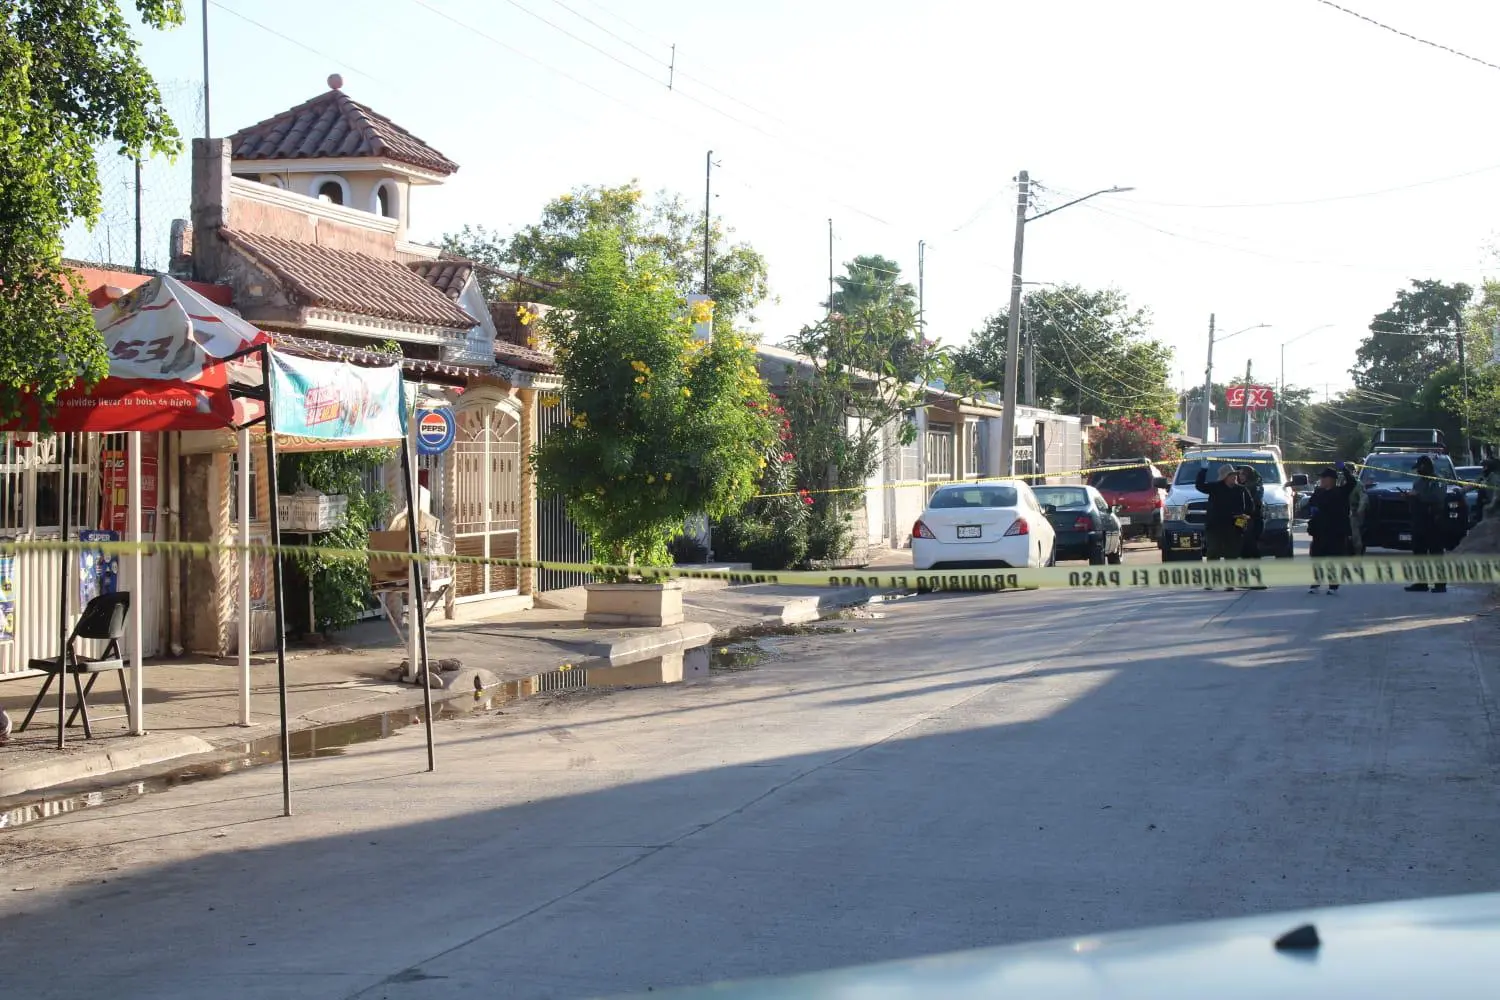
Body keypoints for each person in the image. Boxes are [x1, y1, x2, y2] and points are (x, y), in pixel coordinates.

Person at [1195, 463, 1253, 589]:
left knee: (1231, 554)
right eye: (1231, 475)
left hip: (1234, 527)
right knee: (1213, 552)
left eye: (1235, 475)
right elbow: (1199, 486)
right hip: (1215, 526)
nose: (1234, 477)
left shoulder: (1241, 490)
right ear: (1225, 477)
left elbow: (1250, 507)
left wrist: (1243, 518)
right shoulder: (1215, 487)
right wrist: (1203, 470)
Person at [1306, 464, 1358, 594]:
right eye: (1321, 478)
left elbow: (1352, 482)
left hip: (1335, 531)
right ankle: (1316, 583)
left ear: (1331, 479)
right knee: (1317, 557)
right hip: (1319, 531)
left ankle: (1333, 586)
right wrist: (1312, 510)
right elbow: (1310, 504)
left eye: (1324, 478)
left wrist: (1344, 469)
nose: (1322, 480)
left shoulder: (1341, 492)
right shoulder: (1318, 492)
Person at [1406, 455, 1448, 593]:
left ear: (1425, 467)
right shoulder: (1418, 482)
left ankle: (1440, 584)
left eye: (1419, 468)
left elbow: (1438, 497)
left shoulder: (1438, 480)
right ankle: (1421, 583)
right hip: (1419, 521)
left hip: (1434, 521)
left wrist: (1418, 496)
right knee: (1419, 552)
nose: (1418, 471)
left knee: (1436, 552)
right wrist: (1409, 497)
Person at [1348, 461, 1368, 554]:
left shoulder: (1358, 484)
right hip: (1340, 512)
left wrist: (1359, 511)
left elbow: (1363, 499)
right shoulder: (1339, 482)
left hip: (1353, 513)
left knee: (1355, 537)